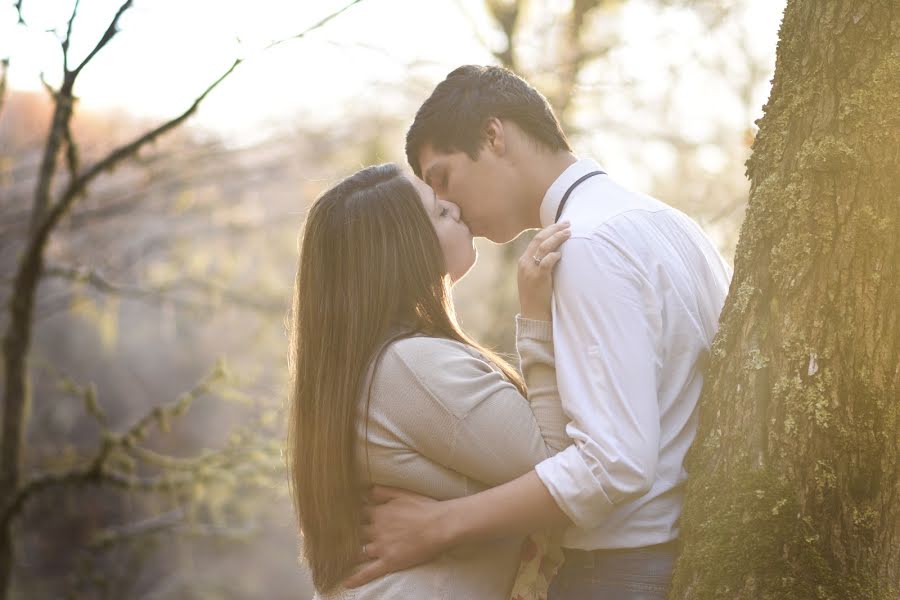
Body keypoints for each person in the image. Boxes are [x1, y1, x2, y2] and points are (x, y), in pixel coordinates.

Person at [346, 65, 733, 599]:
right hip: (673, 557)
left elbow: (613, 463)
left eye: (443, 178)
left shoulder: (586, 245)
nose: (450, 206)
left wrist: (439, 524)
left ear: (493, 135)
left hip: (619, 573)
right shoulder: (672, 225)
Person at [285, 162, 574, 599]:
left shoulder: (374, 363)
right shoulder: (411, 365)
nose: (457, 211)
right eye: (440, 212)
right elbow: (559, 468)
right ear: (401, 251)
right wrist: (536, 319)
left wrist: (444, 524)